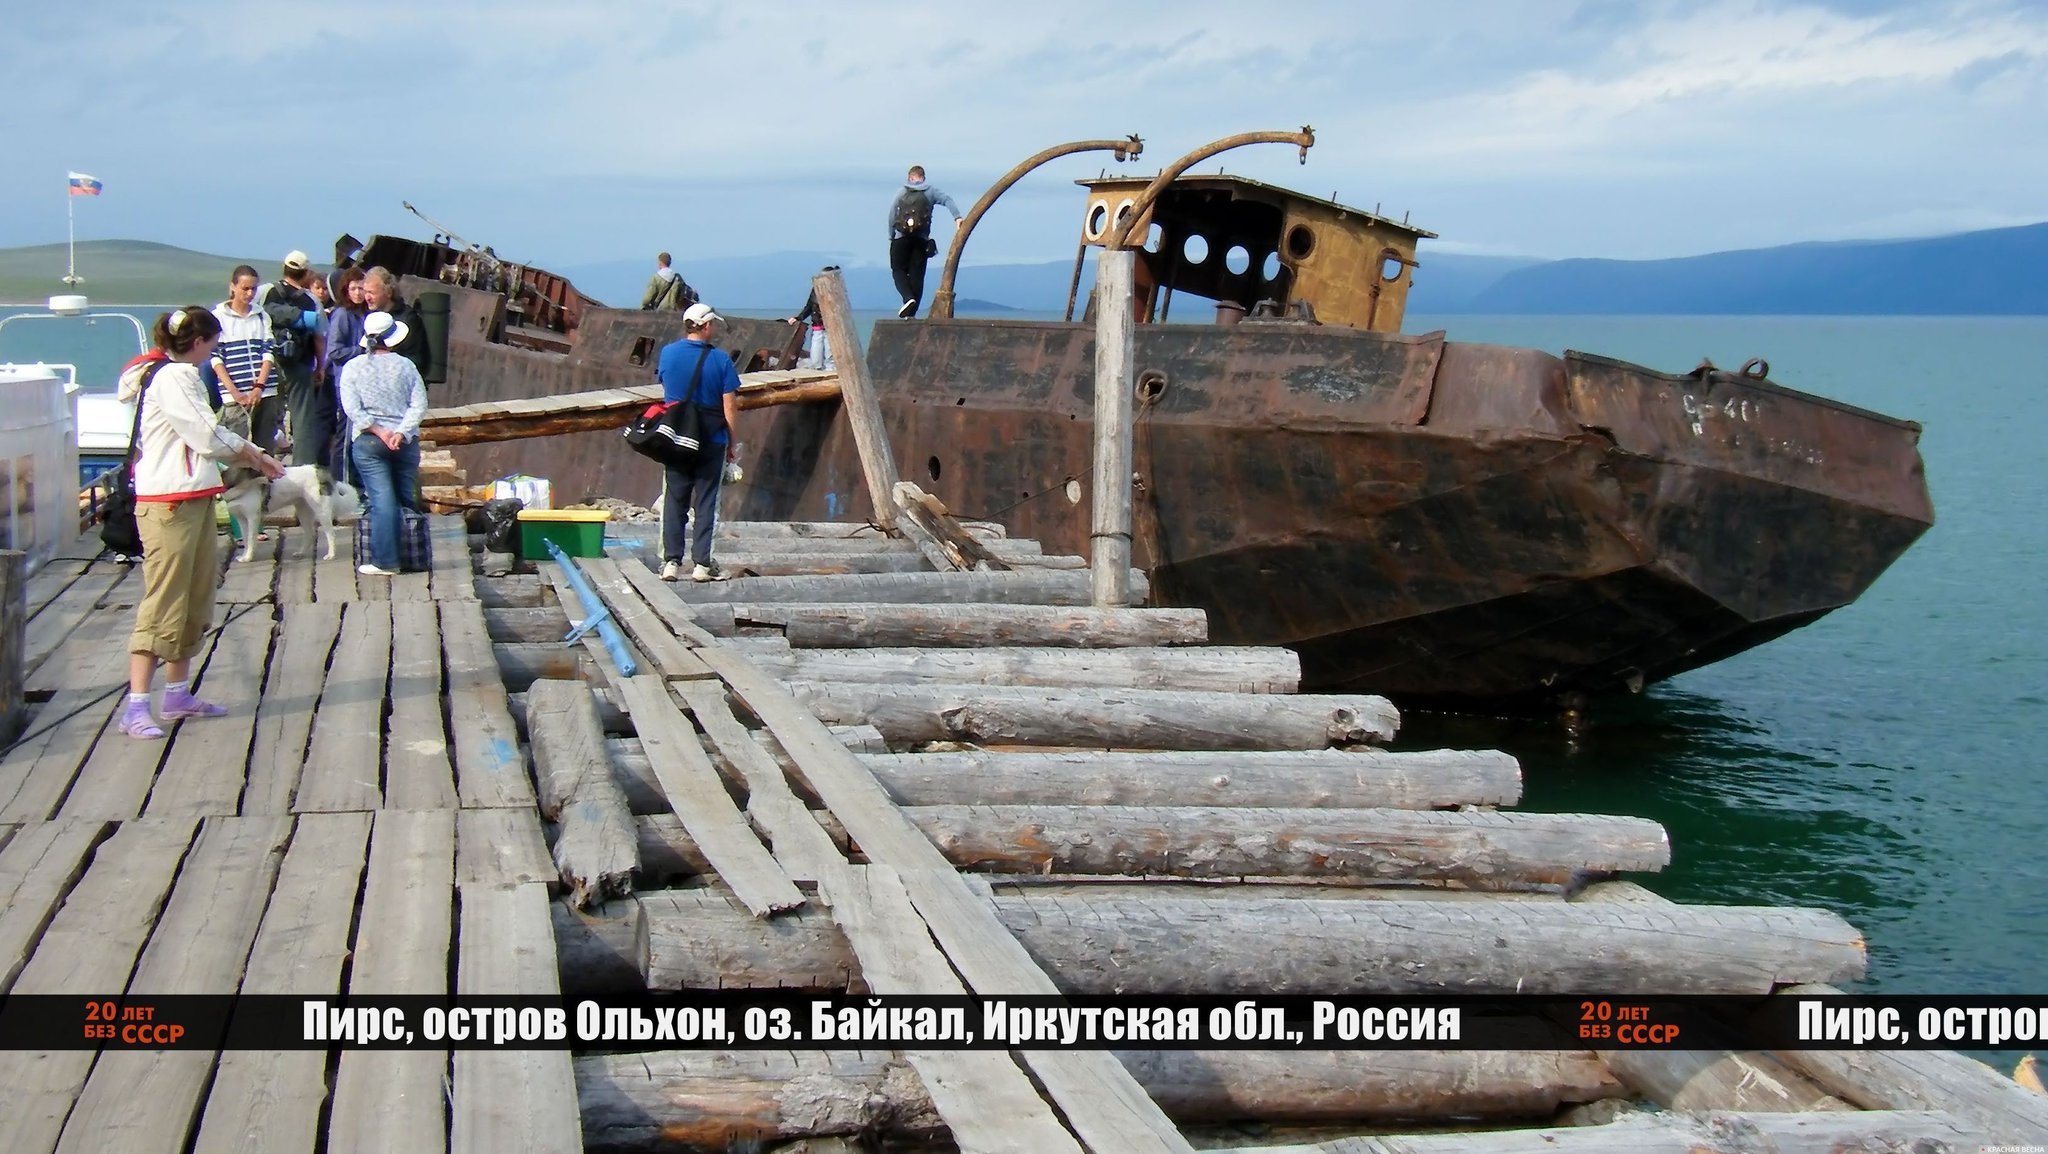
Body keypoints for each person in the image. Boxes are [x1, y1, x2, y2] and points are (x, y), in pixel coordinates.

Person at [116, 307, 284, 739]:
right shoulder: (176, 378)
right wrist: (256, 454)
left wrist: (252, 454)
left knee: (195, 596)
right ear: (198, 343)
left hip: (193, 497)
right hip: (169, 502)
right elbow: (206, 436)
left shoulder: (167, 373)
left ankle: (175, 692)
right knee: (165, 599)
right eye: (213, 343)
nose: (214, 351)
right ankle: (136, 705)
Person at [654, 302, 741, 582]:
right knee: (706, 503)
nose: (713, 328)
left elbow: (668, 392)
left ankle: (671, 562)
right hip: (711, 440)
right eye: (712, 324)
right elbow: (729, 408)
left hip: (677, 438)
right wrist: (731, 444)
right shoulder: (721, 360)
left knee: (674, 500)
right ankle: (702, 564)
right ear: (705, 327)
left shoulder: (668, 354)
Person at [339, 311, 428, 577]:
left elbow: (351, 409)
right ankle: (412, 552)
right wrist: (400, 432)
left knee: (381, 501)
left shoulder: (352, 367)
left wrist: (379, 431)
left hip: (369, 441)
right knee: (406, 499)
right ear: (392, 339)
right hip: (405, 441)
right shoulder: (406, 366)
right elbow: (419, 404)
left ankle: (386, 561)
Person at [257, 251, 327, 465]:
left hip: (269, 363)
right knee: (303, 418)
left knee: (267, 417)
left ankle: (263, 465)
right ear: (306, 273)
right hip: (299, 363)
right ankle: (303, 469)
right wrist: (320, 367)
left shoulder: (265, 291)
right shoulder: (311, 300)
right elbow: (319, 337)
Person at [210, 266, 275, 447]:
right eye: (245, 288)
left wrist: (259, 386)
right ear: (233, 287)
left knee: (265, 446)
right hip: (235, 394)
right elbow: (216, 358)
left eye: (253, 289)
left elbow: (268, 352)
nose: (249, 293)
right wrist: (234, 392)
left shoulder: (261, 315)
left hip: (265, 391)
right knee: (236, 447)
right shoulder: (218, 317)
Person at [887, 165, 962, 319]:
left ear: (910, 177)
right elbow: (947, 199)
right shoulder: (930, 191)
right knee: (917, 275)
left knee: (898, 270)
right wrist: (957, 217)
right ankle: (911, 313)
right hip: (921, 239)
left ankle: (908, 299)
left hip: (901, 238)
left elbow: (892, 214)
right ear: (923, 177)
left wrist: (891, 235)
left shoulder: (901, 192)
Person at [325, 267, 369, 482]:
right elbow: (334, 351)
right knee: (346, 431)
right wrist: (360, 351)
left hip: (364, 381)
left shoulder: (366, 314)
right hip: (345, 381)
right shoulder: (342, 315)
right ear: (346, 290)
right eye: (353, 288)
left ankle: (356, 479)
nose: (358, 293)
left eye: (361, 288)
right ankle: (340, 480)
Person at [360, 266, 431, 378]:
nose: (367, 298)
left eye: (371, 292)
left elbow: (417, 360)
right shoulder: (370, 319)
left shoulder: (409, 320)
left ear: (388, 292)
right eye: (365, 292)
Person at [783, 279, 836, 370]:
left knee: (820, 348)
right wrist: (798, 318)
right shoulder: (833, 289)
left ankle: (818, 368)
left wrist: (798, 318)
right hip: (827, 325)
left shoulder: (816, 289)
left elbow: (808, 307)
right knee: (828, 350)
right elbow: (809, 307)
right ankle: (828, 369)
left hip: (818, 325)